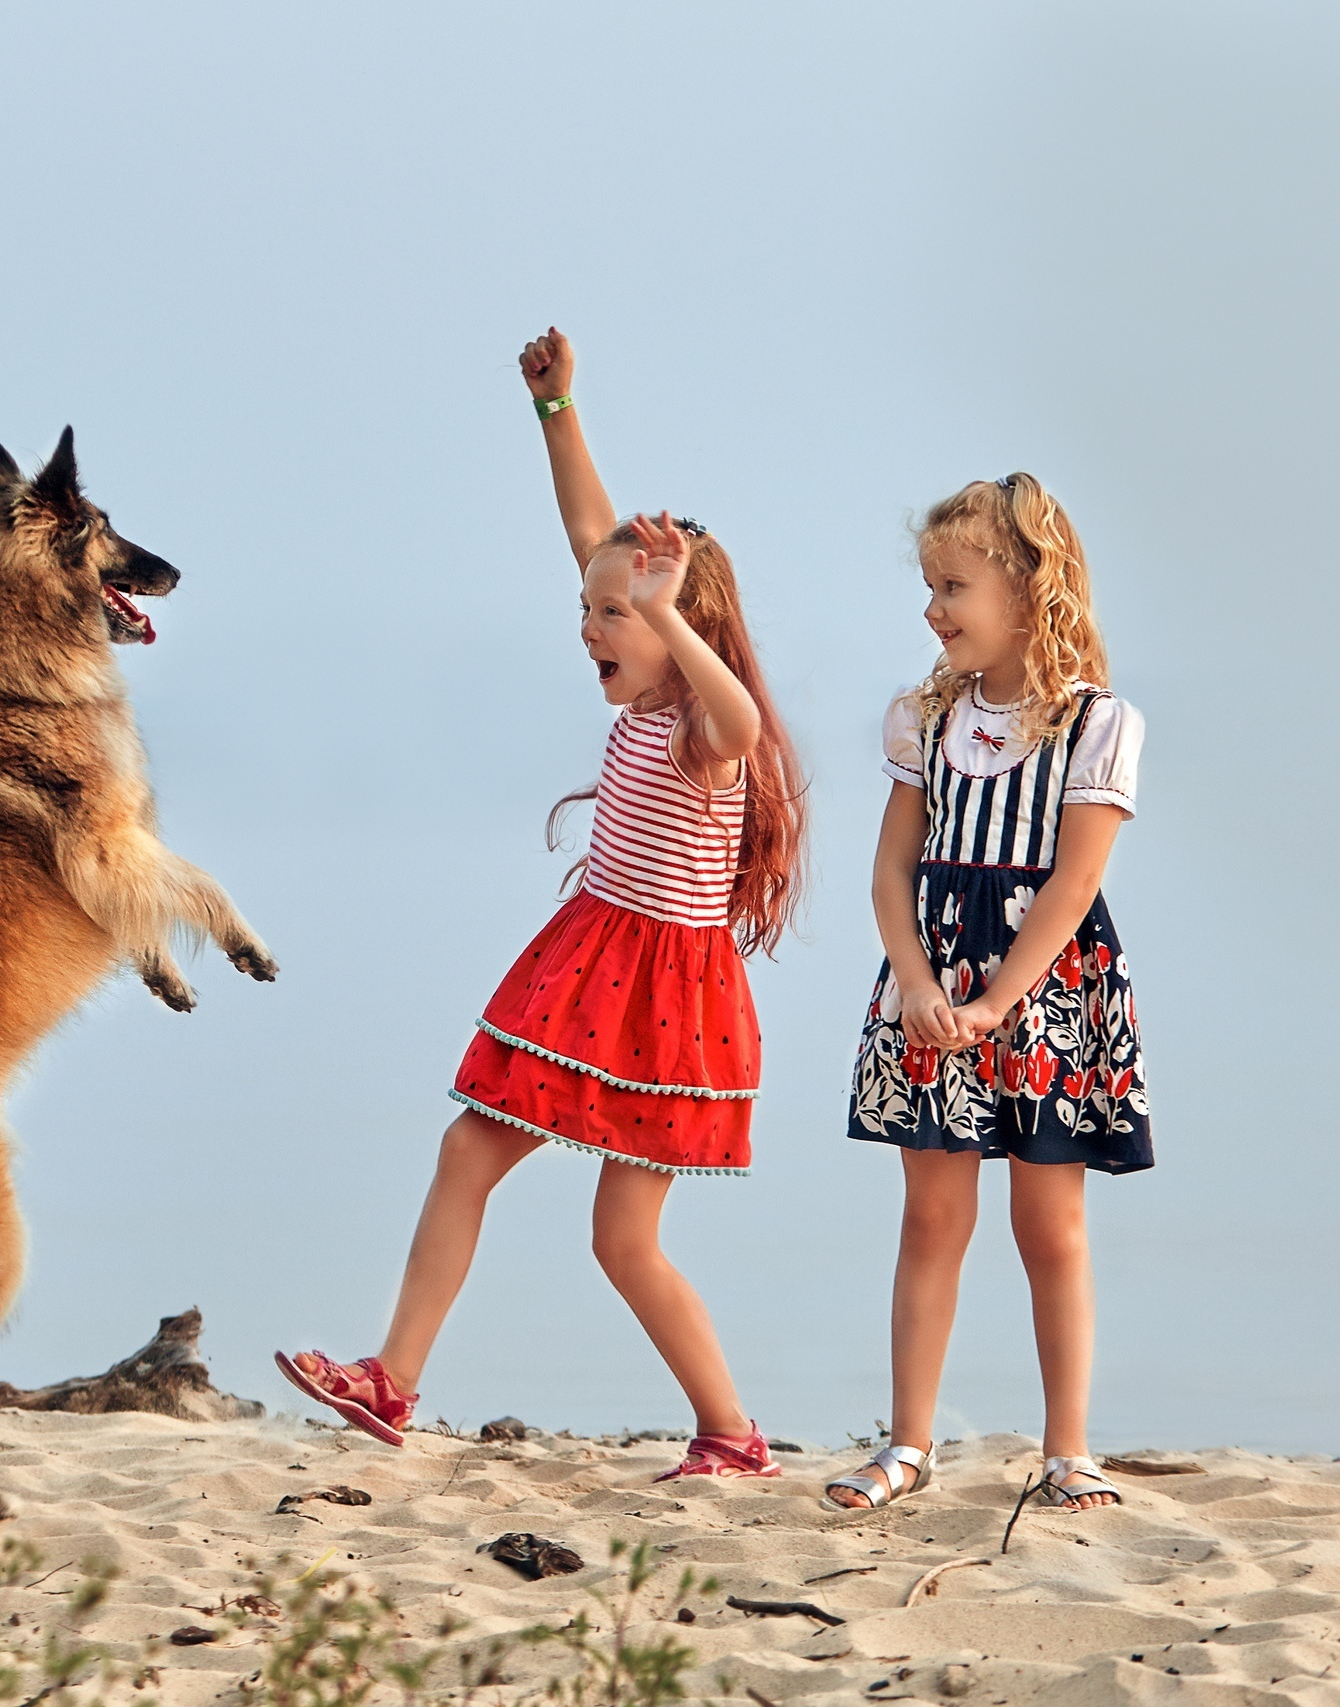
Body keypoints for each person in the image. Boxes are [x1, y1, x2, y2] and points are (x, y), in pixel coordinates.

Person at [275, 327, 806, 1480]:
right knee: (468, 1150)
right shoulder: (645, 698)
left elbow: (742, 722)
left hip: (664, 998)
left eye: (613, 617)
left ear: (681, 630)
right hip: (591, 966)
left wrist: (666, 614)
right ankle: (393, 1378)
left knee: (623, 1240)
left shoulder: (703, 734)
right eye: (589, 610)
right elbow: (589, 534)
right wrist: (557, 411)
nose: (590, 628)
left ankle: (730, 1432)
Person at [827, 474, 1151, 1513]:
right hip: (933, 988)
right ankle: (908, 1444)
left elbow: (1073, 883)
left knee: (1049, 1226)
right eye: (930, 586)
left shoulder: (1095, 724)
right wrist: (917, 982)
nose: (933, 608)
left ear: (1027, 589)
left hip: (1044, 993)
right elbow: (891, 872)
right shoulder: (924, 719)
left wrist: (999, 999)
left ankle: (1068, 1449)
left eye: (953, 586)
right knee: (931, 1219)